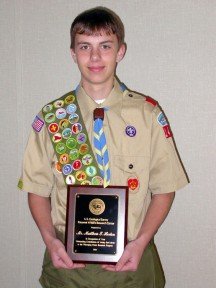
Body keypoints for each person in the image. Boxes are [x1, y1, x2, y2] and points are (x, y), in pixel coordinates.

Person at [18, 6, 188, 288]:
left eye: (105, 46)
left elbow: (164, 188)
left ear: (120, 51)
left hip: (132, 266)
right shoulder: (53, 117)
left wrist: (141, 242)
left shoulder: (147, 115)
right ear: (73, 53)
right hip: (68, 269)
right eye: (85, 46)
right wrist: (50, 241)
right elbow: (37, 190)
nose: (95, 57)